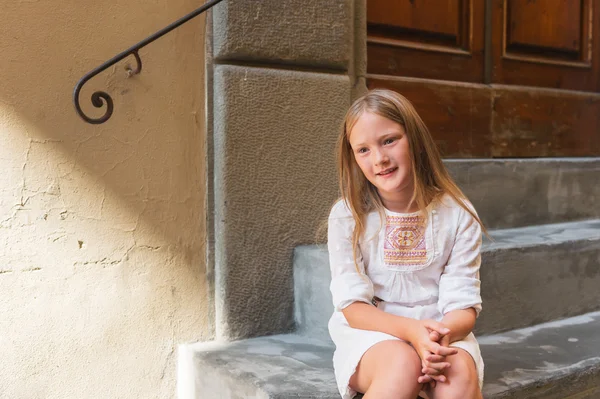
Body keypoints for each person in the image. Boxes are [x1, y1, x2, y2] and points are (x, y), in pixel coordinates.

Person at [327, 89, 485, 399]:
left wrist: (434, 340)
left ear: (415, 139)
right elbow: (354, 308)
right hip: (373, 333)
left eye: (389, 140)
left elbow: (463, 307)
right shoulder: (348, 216)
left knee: (459, 377)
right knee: (403, 366)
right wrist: (413, 334)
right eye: (363, 150)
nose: (379, 159)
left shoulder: (457, 214)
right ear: (353, 157)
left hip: (443, 332)